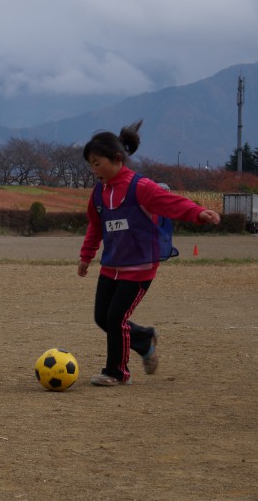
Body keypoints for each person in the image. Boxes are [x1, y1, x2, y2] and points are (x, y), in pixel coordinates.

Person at [78, 120, 220, 387]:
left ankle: (116, 373)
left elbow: (171, 203)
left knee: (116, 318)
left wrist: (198, 212)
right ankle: (144, 340)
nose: (94, 170)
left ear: (117, 159)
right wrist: (86, 256)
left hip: (140, 268)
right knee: (102, 318)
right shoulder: (98, 193)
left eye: (97, 163)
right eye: (91, 165)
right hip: (111, 265)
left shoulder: (140, 186)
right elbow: (95, 226)